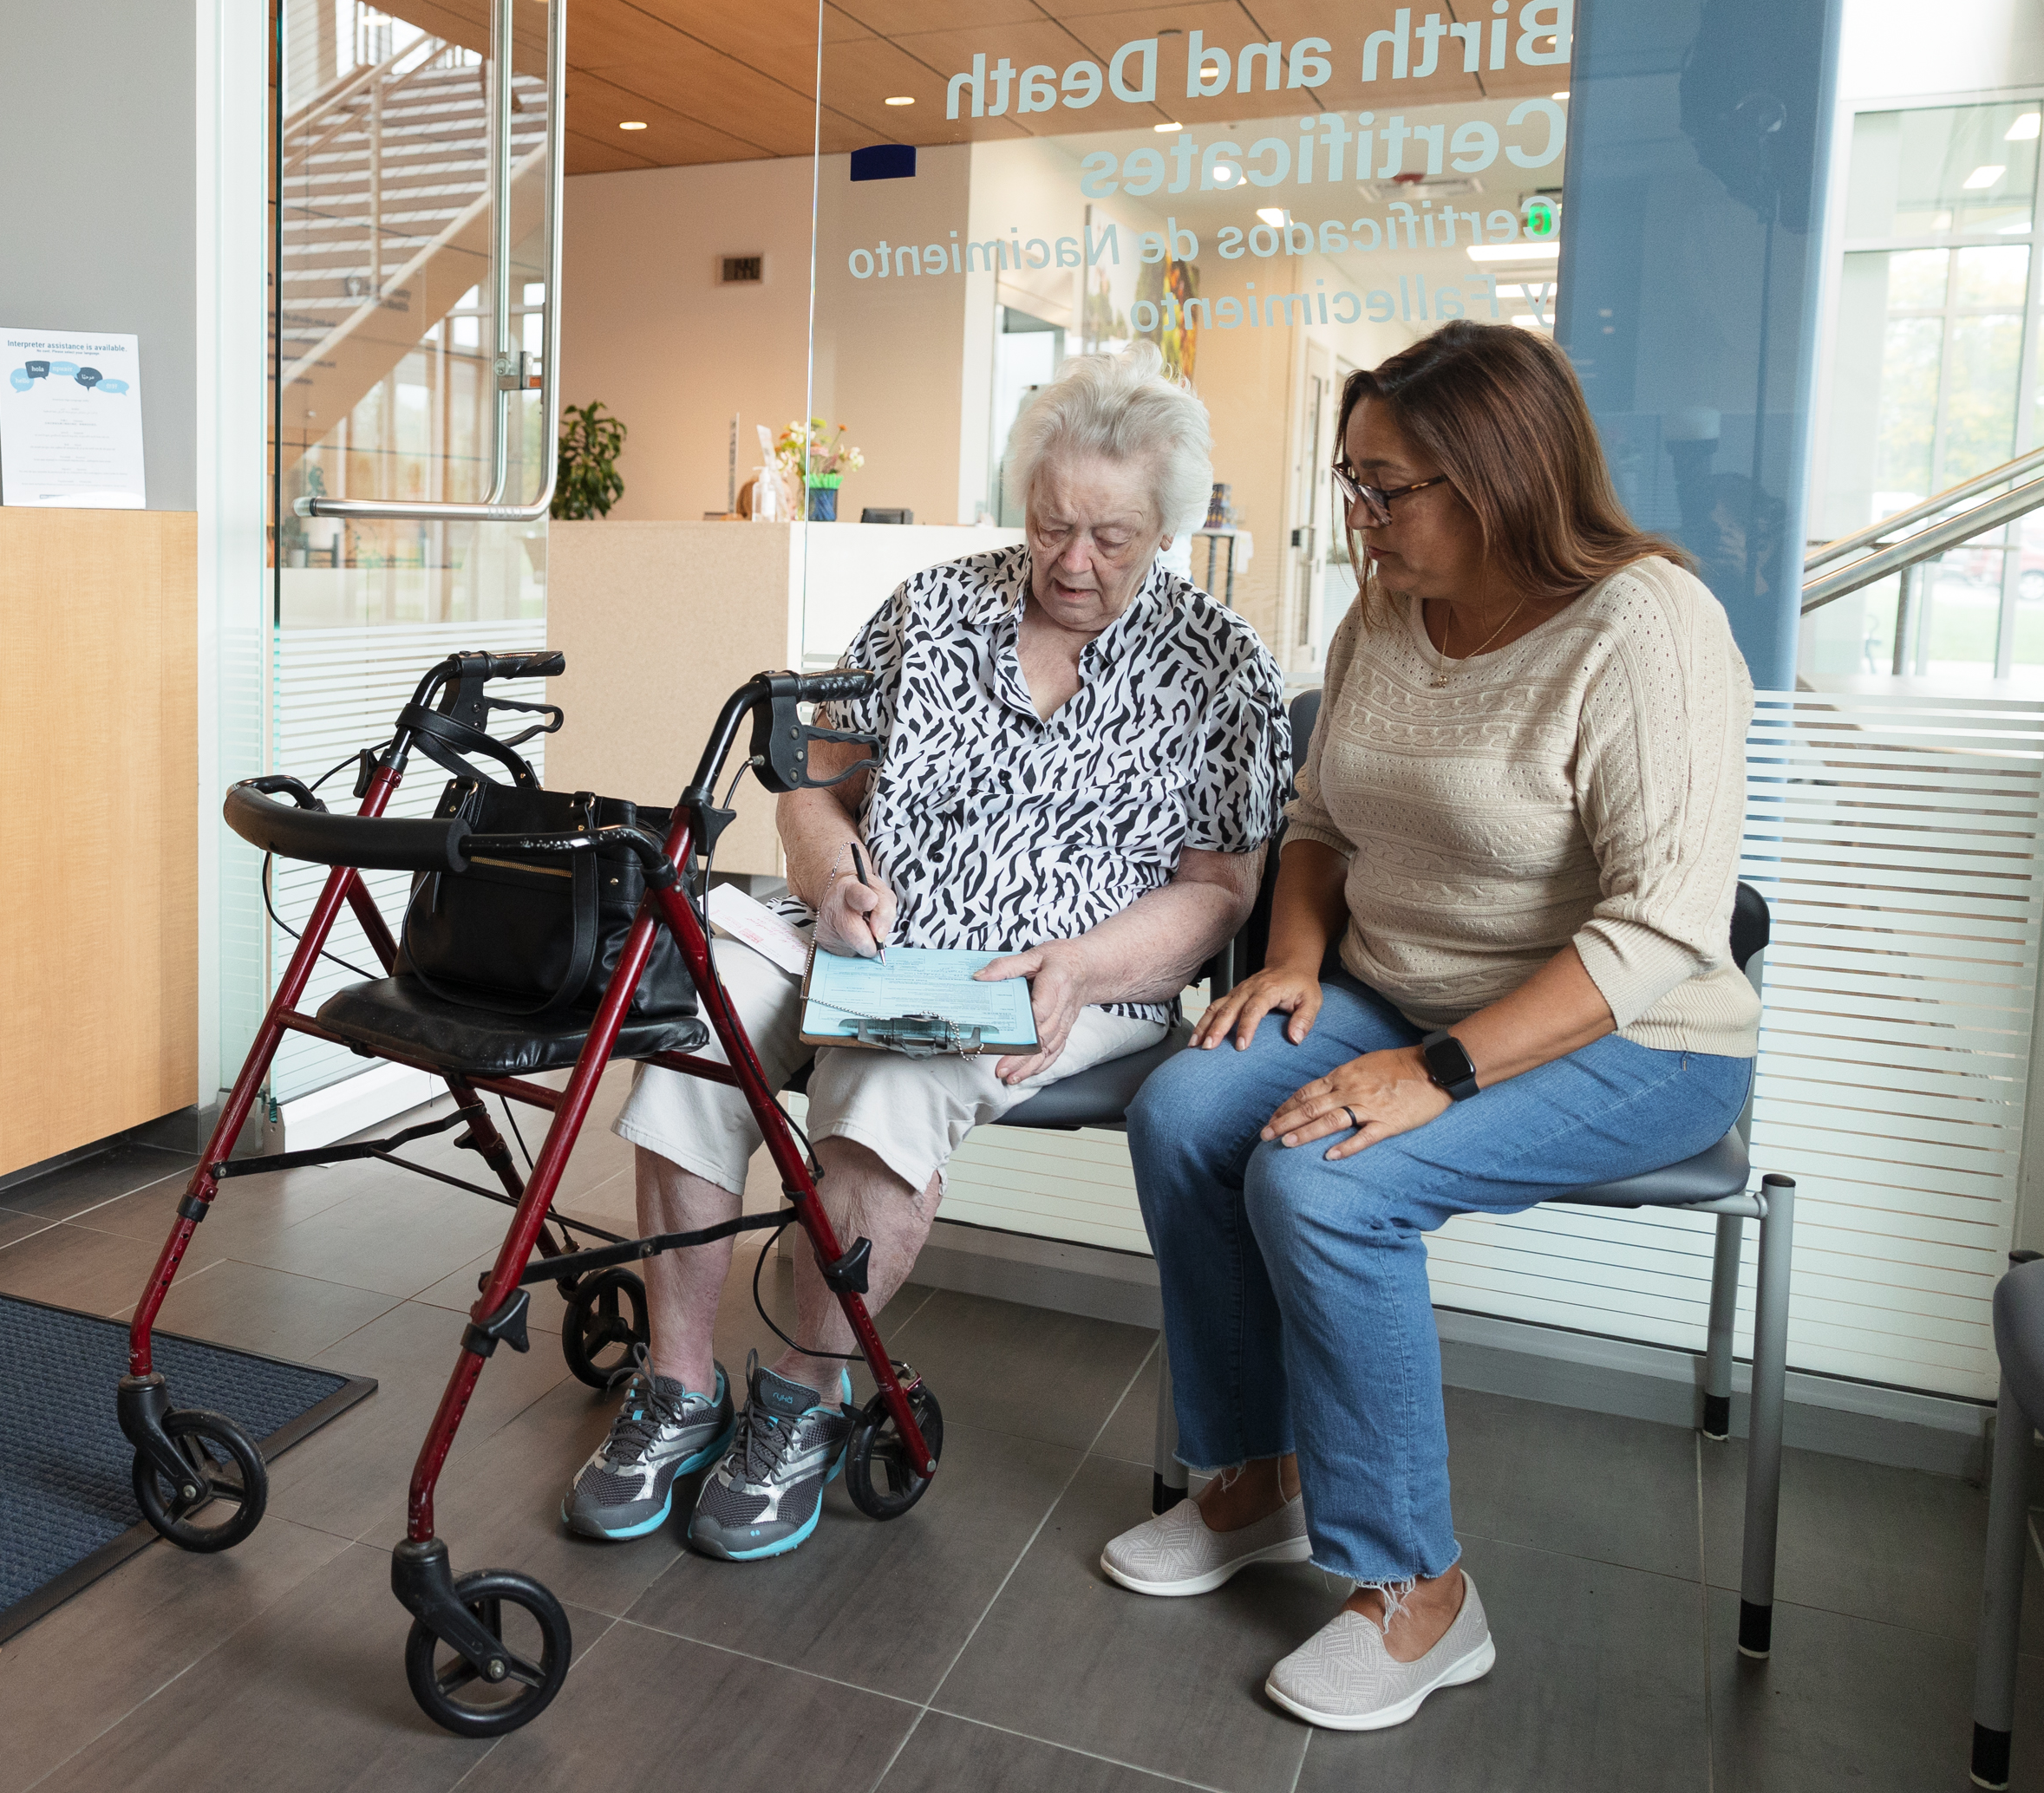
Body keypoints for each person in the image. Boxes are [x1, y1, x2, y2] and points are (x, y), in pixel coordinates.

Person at [1107, 320, 1758, 1731]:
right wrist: (1289, 962)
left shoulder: (1648, 626)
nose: (1360, 517)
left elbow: (1661, 928)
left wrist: (1436, 1070)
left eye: (1387, 487)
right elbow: (1324, 819)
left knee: (1325, 1183)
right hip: (1400, 997)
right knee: (1185, 1106)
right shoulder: (1384, 612)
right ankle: (1254, 1480)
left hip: (1637, 1041)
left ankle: (1421, 1589)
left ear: (1502, 477)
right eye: (1352, 480)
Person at [559, 343, 1288, 1562]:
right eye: (1052, 524)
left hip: (1064, 976)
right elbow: (813, 792)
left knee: (884, 1087)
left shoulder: (1222, 668)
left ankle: (801, 1397)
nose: (1069, 562)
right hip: (859, 939)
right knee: (699, 1024)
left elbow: (1219, 894)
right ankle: (679, 1387)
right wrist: (832, 878)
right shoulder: (933, 606)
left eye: (1111, 539)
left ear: (1170, 527)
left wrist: (1084, 965)